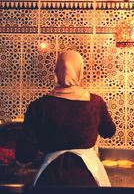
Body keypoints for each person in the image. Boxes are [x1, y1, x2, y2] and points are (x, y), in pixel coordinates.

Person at [15, 50, 116, 186]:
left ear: (56, 71)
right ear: (80, 71)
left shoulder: (38, 106)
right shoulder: (96, 103)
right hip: (87, 179)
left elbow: (24, 154)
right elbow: (109, 131)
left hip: (50, 180)